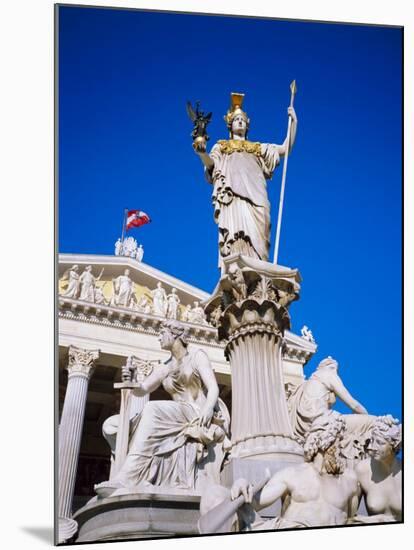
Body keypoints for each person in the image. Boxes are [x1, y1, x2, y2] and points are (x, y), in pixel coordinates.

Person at [96, 321, 230, 496]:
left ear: (174, 334)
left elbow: (213, 387)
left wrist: (207, 408)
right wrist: (132, 380)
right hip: (176, 414)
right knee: (111, 425)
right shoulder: (165, 366)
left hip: (196, 412)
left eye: (161, 333)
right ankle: (133, 472)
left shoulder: (197, 356)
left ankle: (128, 476)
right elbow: (143, 389)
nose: (158, 337)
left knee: (152, 408)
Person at [200, 413, 359, 532]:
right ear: (325, 441)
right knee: (214, 493)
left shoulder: (349, 480)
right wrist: (242, 483)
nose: (343, 446)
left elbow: (351, 518)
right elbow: (256, 502)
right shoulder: (293, 474)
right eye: (339, 440)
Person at [194, 93, 297, 269]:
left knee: (260, 241)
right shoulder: (222, 147)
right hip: (234, 199)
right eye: (236, 119)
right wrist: (202, 153)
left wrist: (293, 122)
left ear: (247, 125)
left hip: (257, 199)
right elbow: (212, 166)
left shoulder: (258, 148)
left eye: (242, 119)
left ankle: (259, 276)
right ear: (230, 125)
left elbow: (285, 148)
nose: (240, 122)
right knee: (236, 239)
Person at [288, 356, 373, 462]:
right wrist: (367, 416)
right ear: (329, 367)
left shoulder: (305, 384)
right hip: (324, 422)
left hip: (306, 428)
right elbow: (353, 404)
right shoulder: (329, 374)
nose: (336, 372)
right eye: (335, 369)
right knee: (373, 424)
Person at [352, 415, 402, 523]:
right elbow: (349, 516)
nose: (371, 447)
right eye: (372, 440)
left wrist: (381, 519)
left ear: (394, 444)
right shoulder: (362, 470)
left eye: (379, 442)